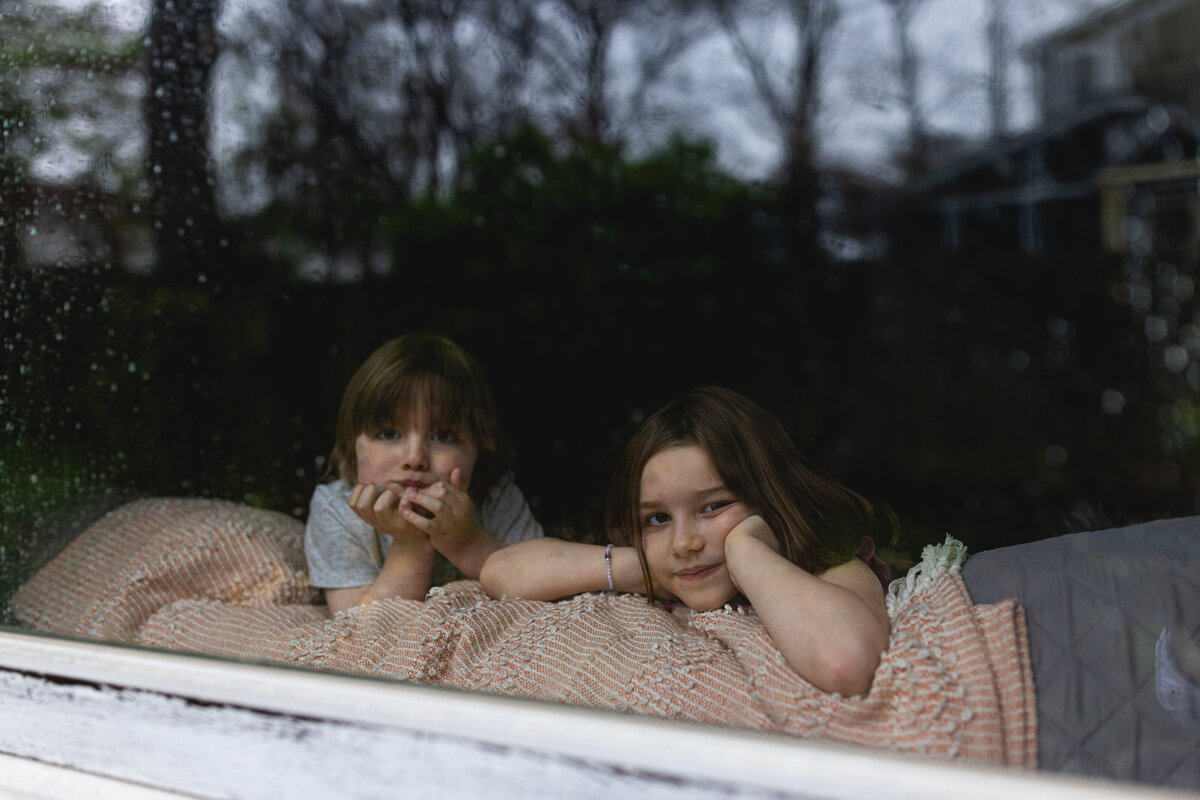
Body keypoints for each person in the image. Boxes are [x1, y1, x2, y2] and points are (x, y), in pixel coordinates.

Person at [481, 386, 893, 696]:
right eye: (658, 519)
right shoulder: (667, 568)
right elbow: (500, 573)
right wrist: (647, 569)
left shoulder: (831, 564)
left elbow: (845, 662)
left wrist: (747, 549)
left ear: (770, 498)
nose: (683, 543)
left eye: (713, 507)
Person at [305, 333, 543, 614]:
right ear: (352, 444)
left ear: (480, 445)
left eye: (442, 436)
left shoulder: (495, 497)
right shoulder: (338, 509)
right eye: (389, 434)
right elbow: (356, 635)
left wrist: (467, 541)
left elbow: (543, 600)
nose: (415, 459)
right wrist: (409, 542)